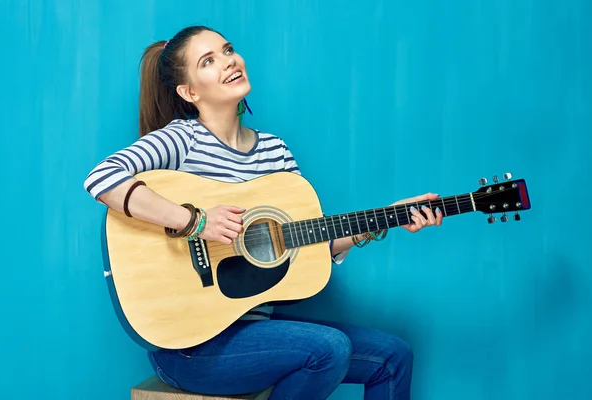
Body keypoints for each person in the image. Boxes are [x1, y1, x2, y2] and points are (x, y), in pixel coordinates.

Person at [84, 25, 443, 400]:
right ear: (189, 92)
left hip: (257, 335)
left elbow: (304, 245)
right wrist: (196, 221)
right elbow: (102, 178)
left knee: (393, 356)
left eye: (228, 50)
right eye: (208, 61)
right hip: (188, 345)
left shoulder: (275, 151)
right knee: (329, 348)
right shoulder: (181, 140)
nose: (228, 62)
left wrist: (387, 217)